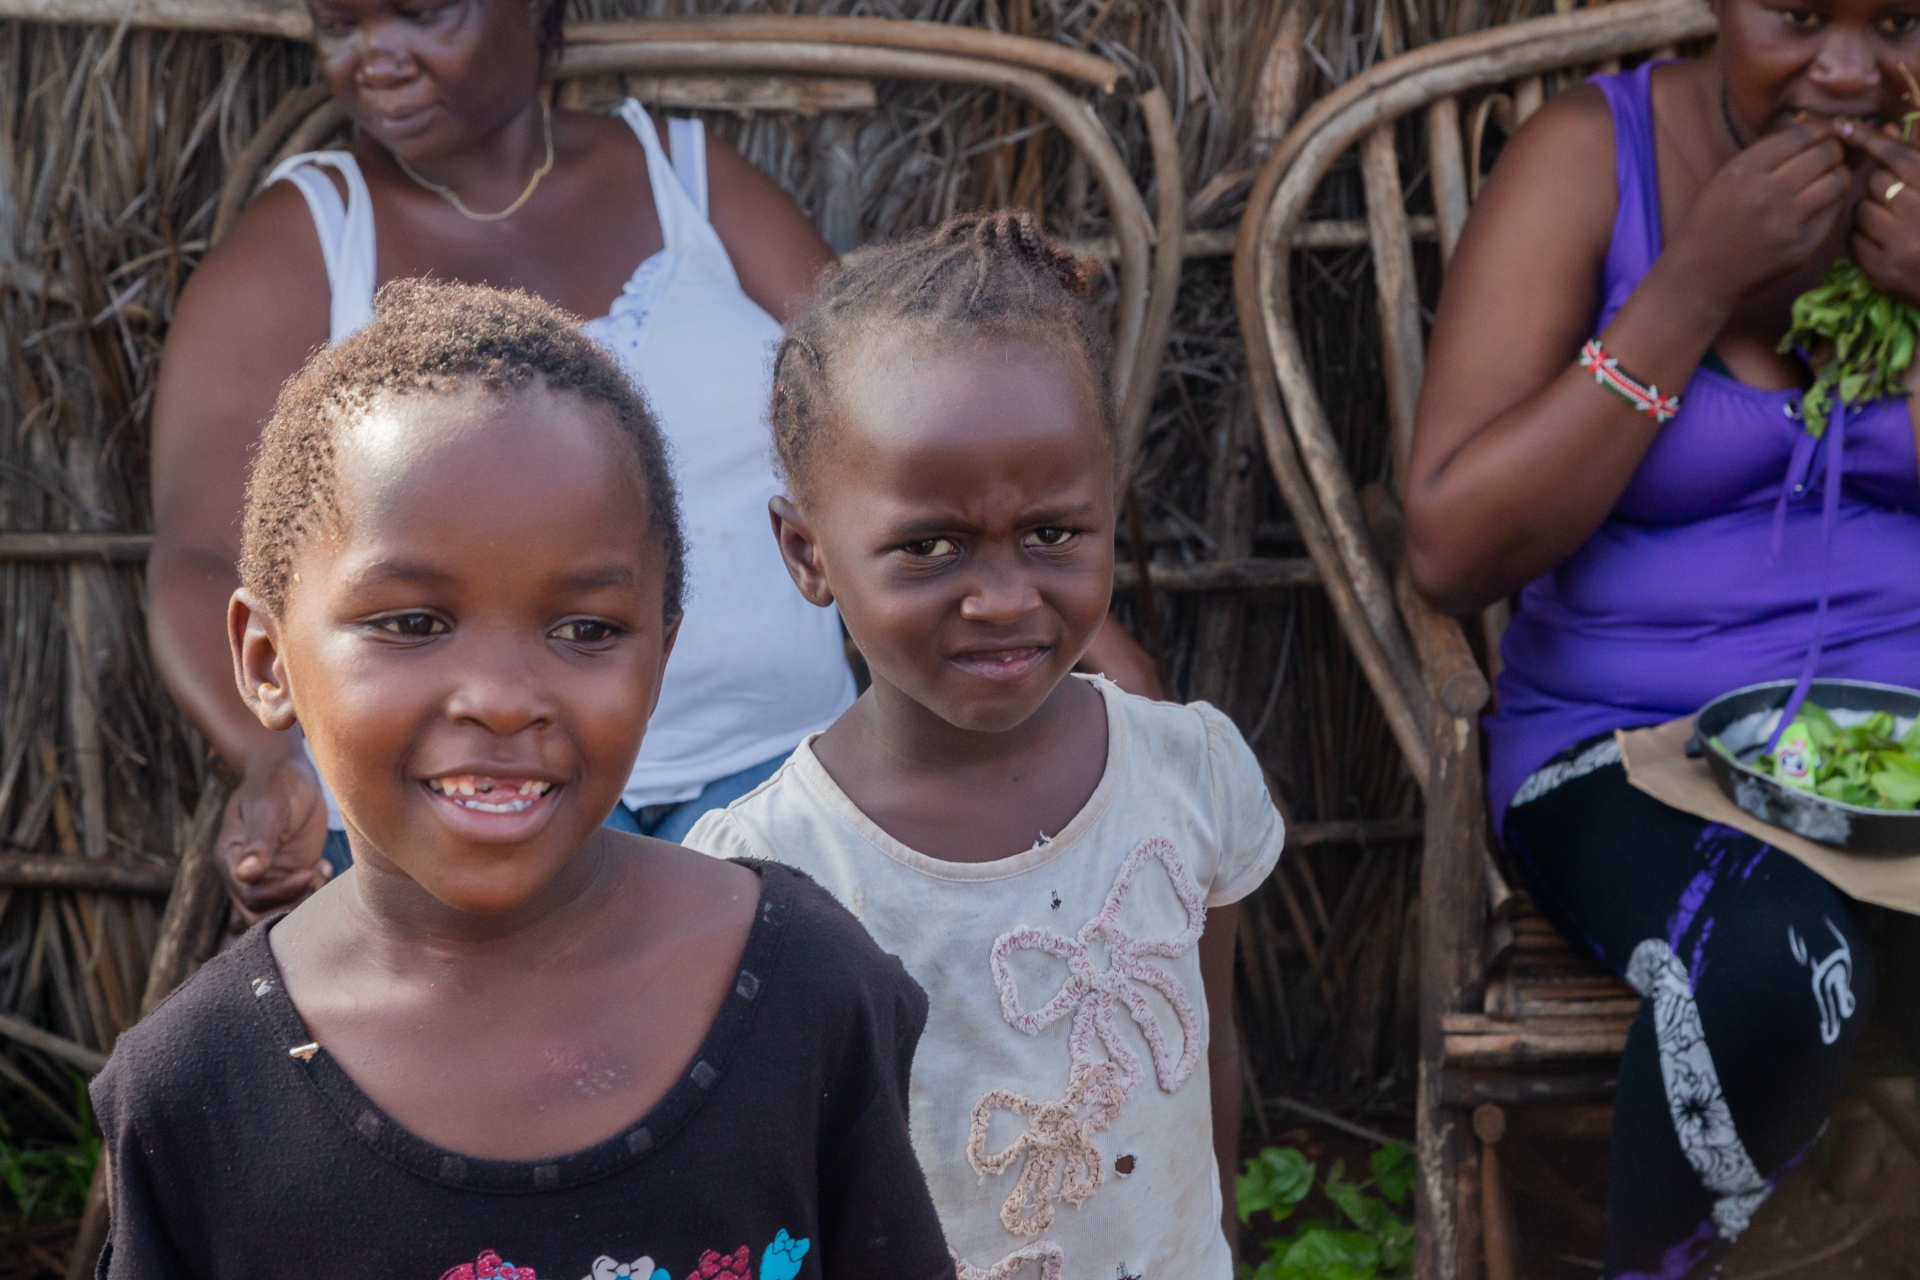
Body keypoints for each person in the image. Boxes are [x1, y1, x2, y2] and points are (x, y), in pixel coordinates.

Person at [146, 0, 1167, 923]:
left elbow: (887, 424)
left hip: (782, 775)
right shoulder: (302, 243)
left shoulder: (690, 183)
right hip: (467, 800)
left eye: (421, 15)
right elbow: (197, 557)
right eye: (342, 26)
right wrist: (271, 755)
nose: (378, 57)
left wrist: (1090, 637)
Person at [93, 281, 955, 1280]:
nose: (503, 700)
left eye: (585, 629)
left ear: (660, 653)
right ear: (266, 658)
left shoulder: (808, 992)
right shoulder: (196, 1092)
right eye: (412, 622)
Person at [1405, 0, 1920, 1272]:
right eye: (1801, 15)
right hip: (1629, 747)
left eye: (1901, 22)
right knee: (1777, 962)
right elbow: (1453, 548)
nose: (1850, 70)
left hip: (1898, 759)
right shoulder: (1594, 156)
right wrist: (1690, 286)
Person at [682, 213, 1284, 1280]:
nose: (1004, 597)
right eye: (929, 545)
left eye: (1053, 532)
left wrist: (1222, 1241)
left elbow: (1208, 1052)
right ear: (808, 552)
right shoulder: (769, 875)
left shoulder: (1189, 771)